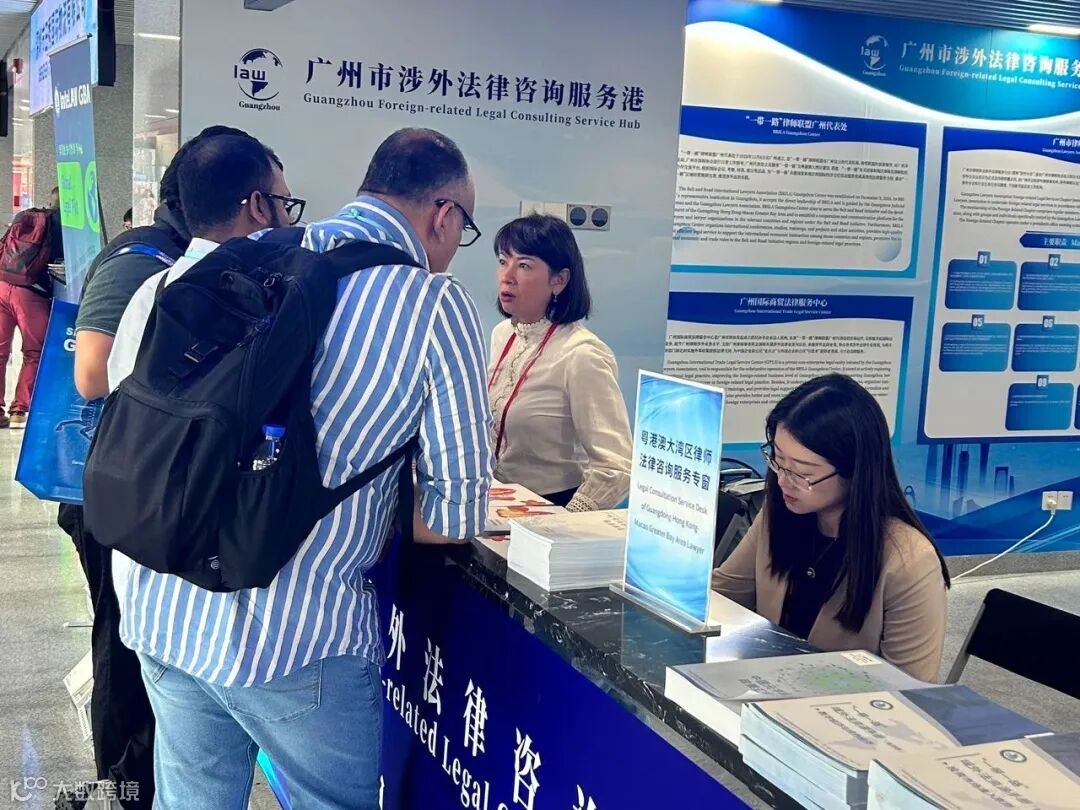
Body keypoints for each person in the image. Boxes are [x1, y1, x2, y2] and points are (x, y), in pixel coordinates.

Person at [112, 126, 492, 809]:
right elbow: (454, 516)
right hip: (294, 636)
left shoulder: (245, 254)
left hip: (161, 602)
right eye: (462, 229)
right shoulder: (435, 303)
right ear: (444, 214)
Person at [56, 126, 281, 810]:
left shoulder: (186, 262)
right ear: (252, 203)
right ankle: (126, 784)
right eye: (282, 202)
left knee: (144, 660)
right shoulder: (145, 263)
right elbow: (91, 373)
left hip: (147, 483)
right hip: (123, 489)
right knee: (123, 654)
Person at [712, 374, 950, 682]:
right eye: (778, 460)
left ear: (854, 471)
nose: (783, 481)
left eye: (802, 473)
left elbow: (911, 690)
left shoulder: (910, 562)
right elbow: (723, 595)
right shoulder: (780, 511)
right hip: (765, 689)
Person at [487, 214, 631, 510]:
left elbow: (616, 466)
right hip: (499, 506)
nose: (507, 276)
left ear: (559, 280)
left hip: (550, 508)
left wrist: (567, 521)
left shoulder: (582, 354)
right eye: (503, 261)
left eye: (524, 265)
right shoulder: (503, 334)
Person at [0, 192, 61, 429]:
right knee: (34, 351)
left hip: (2, 284)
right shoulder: (61, 225)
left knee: (0, 352)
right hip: (31, 292)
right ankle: (19, 410)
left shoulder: (27, 216)